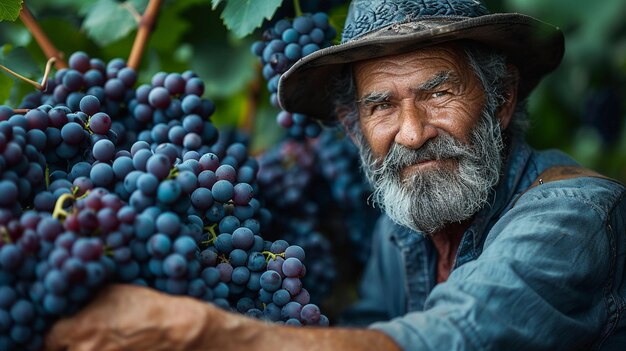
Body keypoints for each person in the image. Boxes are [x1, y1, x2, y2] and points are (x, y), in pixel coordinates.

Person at [45, 0, 626, 350]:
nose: (412, 132)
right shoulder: (403, 226)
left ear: (501, 100)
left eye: (439, 93)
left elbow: (451, 341)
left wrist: (202, 333)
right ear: (353, 128)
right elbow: (365, 327)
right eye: (380, 107)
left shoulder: (572, 219)